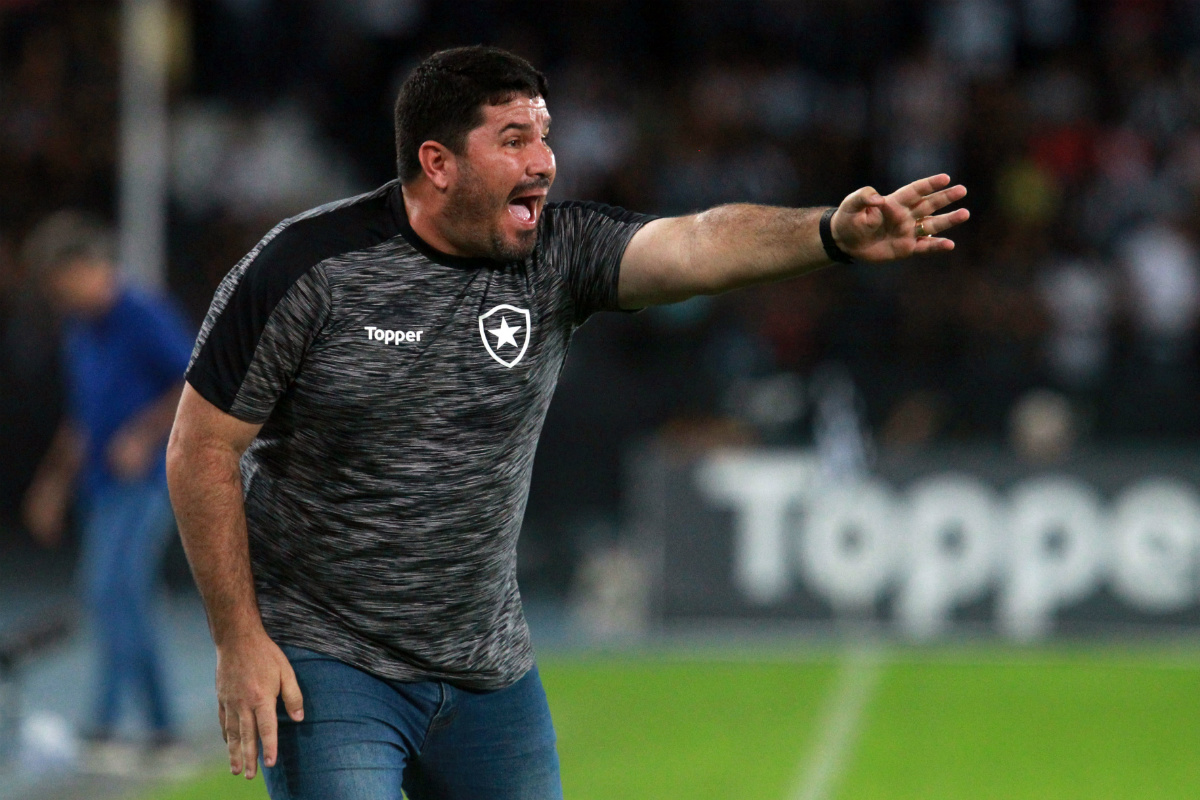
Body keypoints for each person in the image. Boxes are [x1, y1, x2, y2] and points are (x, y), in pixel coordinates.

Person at [166, 46, 969, 800]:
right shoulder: (305, 269)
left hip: (487, 668)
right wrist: (239, 640)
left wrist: (829, 233)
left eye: (544, 136)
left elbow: (695, 245)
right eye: (513, 140)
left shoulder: (558, 252)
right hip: (330, 660)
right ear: (438, 163)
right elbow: (200, 447)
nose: (545, 161)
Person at [22, 210, 194, 766]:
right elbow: (84, 417)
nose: (61, 298)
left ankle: (107, 725)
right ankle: (163, 732)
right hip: (100, 484)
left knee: (109, 591)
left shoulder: (142, 313)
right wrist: (52, 483)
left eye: (62, 284)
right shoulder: (81, 330)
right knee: (125, 600)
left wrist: (143, 434)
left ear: (87, 266)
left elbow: (195, 381)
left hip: (147, 481)